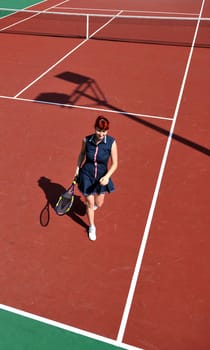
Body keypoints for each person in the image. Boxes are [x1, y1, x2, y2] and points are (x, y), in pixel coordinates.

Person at [75, 116, 118, 241]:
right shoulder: (86, 140)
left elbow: (115, 163)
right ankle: (92, 226)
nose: (101, 134)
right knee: (90, 202)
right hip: (86, 175)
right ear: (95, 128)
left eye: (104, 131)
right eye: (99, 130)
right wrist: (77, 169)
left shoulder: (111, 142)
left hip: (101, 177)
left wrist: (107, 177)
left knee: (99, 203)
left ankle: (93, 206)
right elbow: (82, 153)